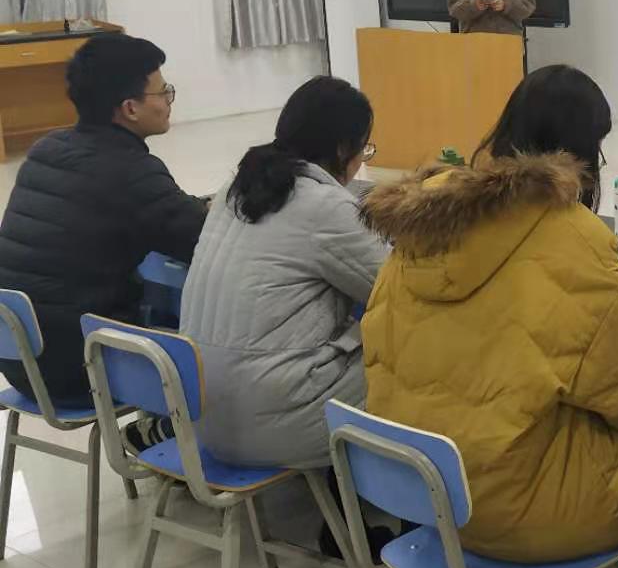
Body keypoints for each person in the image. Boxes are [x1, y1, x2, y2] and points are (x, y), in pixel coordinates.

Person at [360, 65, 618, 568]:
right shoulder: (575, 235)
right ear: (582, 150)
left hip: (418, 488)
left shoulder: (423, 219)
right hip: (516, 515)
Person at [179, 77, 389, 469]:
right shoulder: (323, 206)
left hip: (200, 415)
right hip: (270, 424)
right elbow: (395, 288)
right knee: (413, 351)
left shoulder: (235, 188)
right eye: (364, 148)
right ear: (343, 149)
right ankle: (387, 492)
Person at [0, 33, 207, 408]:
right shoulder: (131, 171)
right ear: (130, 108)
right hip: (83, 365)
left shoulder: (48, 148)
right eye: (163, 92)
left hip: (20, 358)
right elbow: (206, 241)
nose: (168, 101)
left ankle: (155, 430)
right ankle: (173, 429)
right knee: (211, 342)